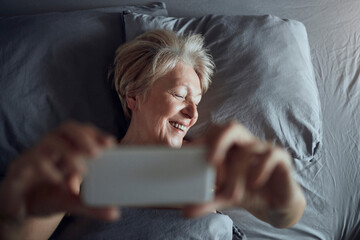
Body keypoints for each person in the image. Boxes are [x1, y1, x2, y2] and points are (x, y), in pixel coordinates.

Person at [0, 29, 306, 240]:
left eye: (196, 102)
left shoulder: (210, 162)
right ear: (134, 96)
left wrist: (283, 189)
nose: (193, 113)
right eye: (179, 95)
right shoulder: (83, 165)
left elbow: (283, 214)